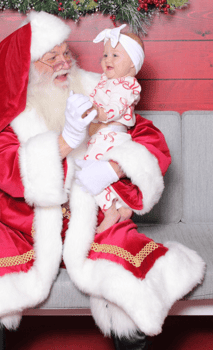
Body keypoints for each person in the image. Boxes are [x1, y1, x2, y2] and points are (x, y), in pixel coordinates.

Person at [0, 11, 205, 350]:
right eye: (50, 57)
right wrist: (65, 141)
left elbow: (150, 139)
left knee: (132, 292)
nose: (63, 63)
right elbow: (2, 165)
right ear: (27, 69)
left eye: (66, 53)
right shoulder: (13, 114)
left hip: (98, 221)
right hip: (24, 228)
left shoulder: (100, 92)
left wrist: (115, 169)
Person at [79, 24, 145, 233]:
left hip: (112, 137)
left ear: (132, 66)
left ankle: (110, 211)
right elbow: (94, 99)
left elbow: (117, 106)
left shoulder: (127, 84)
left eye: (115, 55)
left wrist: (100, 114)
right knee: (93, 172)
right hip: (100, 137)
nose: (108, 59)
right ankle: (121, 207)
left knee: (85, 172)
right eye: (105, 54)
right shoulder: (105, 81)